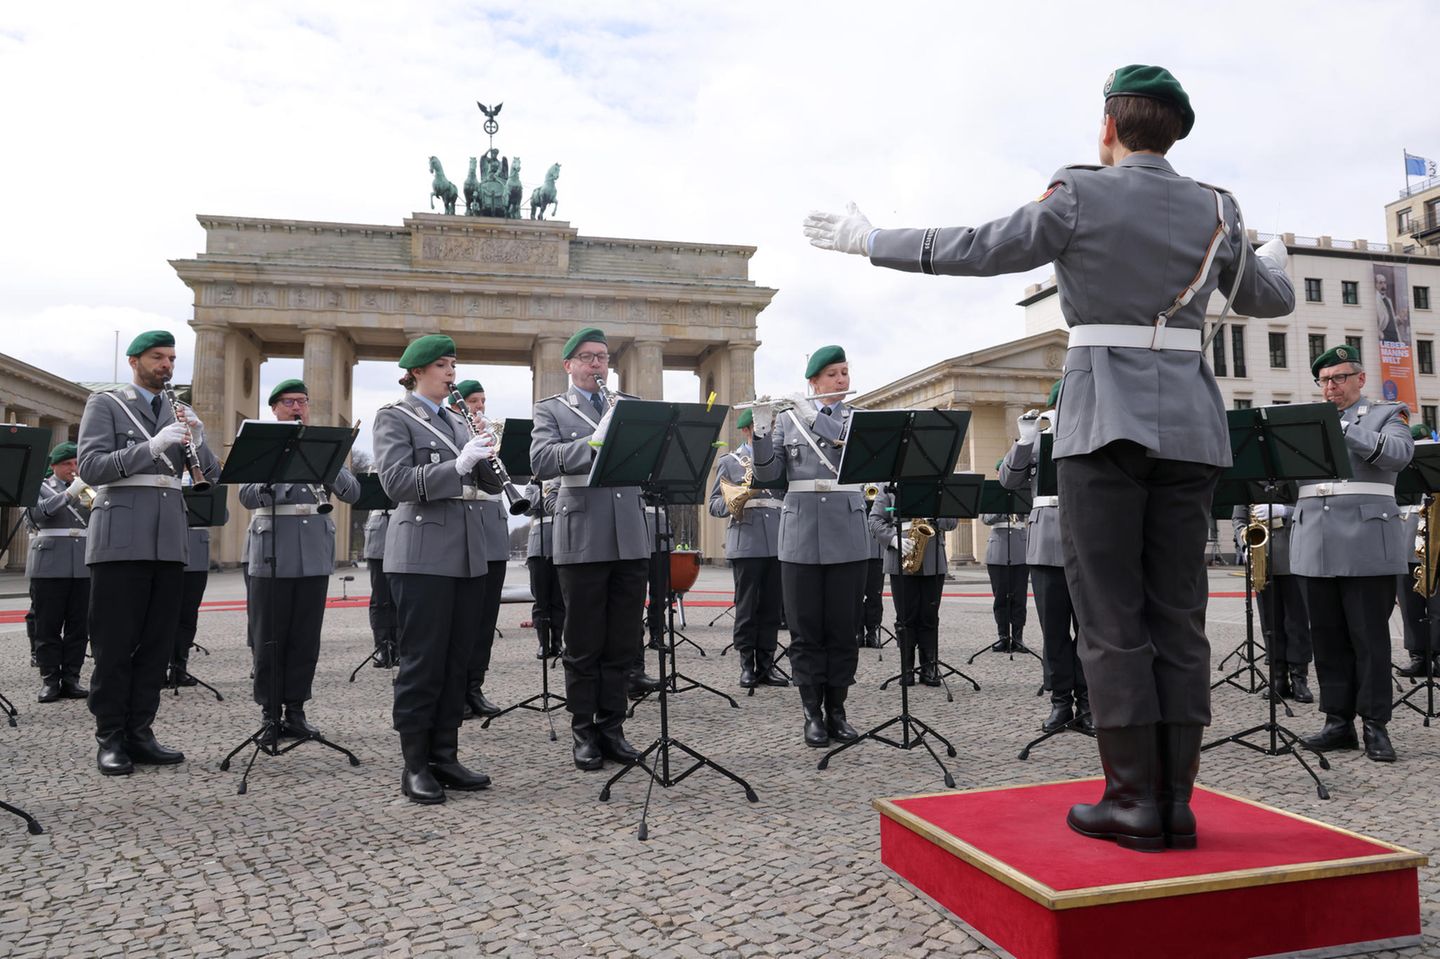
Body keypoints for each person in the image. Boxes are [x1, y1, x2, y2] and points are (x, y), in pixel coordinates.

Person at [804, 64, 1296, 850]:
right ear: (1175, 130)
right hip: (1193, 427)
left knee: (1108, 614)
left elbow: (979, 246)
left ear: (1108, 123)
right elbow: (1270, 299)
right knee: (1179, 612)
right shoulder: (1219, 208)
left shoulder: (1079, 191)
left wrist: (871, 242)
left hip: (1103, 419)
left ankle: (1133, 799)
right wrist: (1266, 253)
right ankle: (1176, 802)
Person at [77, 330, 221, 774]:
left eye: (172, 358)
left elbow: (211, 476)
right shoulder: (107, 404)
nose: (167, 365)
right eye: (158, 357)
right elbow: (90, 466)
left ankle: (141, 730)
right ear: (135, 360)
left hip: (168, 537)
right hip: (121, 535)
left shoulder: (176, 408)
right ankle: (111, 735)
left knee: (156, 643)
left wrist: (198, 435)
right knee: (116, 642)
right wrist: (152, 446)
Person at [374, 335, 500, 803]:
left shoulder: (458, 419)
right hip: (422, 554)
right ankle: (414, 764)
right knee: (424, 660)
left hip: (467, 551)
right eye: (443, 366)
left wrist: (487, 448)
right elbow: (396, 483)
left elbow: (485, 481)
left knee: (456, 659)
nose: (451, 373)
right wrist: (457, 463)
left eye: (453, 364)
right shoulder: (396, 416)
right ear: (417, 371)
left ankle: (445, 755)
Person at [529, 327, 650, 771]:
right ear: (569, 365)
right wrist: (592, 441)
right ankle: (583, 730)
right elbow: (542, 461)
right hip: (582, 532)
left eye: (601, 357)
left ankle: (613, 727)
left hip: (628, 532)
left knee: (622, 640)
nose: (597, 364)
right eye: (586, 357)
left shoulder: (630, 406)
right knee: (582, 642)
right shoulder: (552, 410)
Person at [1293, 346, 1414, 763]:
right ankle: (1337, 722)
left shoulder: (1388, 413)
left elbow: (1399, 454)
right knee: (1326, 640)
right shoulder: (1305, 421)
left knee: (1369, 640)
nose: (1331, 387)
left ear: (1360, 379)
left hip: (1366, 543)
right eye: (1325, 380)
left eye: (1339, 378)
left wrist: (1343, 429)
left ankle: (1375, 725)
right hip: (1315, 544)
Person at [751, 345, 869, 748]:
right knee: (805, 631)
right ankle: (812, 713)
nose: (841, 380)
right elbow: (769, 477)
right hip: (800, 533)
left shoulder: (859, 419)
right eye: (833, 374)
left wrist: (811, 415)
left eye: (845, 372)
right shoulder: (788, 421)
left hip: (848, 532)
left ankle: (838, 710)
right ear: (813, 381)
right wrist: (763, 433)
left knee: (843, 629)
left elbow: (851, 450)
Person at [240, 378, 361, 741]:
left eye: (303, 402)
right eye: (290, 402)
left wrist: (329, 464)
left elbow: (353, 492)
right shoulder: (261, 444)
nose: (298, 408)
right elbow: (248, 495)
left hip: (313, 552)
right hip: (272, 551)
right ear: (274, 408)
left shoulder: (322, 445)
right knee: (269, 638)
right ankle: (269, 713)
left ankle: (296, 711)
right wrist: (285, 463)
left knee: (305, 639)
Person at [1000, 386, 1092, 733]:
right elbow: (1008, 480)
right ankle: (1060, 703)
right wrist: (1024, 442)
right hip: (1045, 543)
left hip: (1086, 539)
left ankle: (1088, 702)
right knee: (1053, 632)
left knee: (1087, 630)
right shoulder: (1038, 439)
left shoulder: (1088, 431)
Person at [707, 409, 787, 688]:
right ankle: (746, 665)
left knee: (771, 607)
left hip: (777, 538)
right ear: (745, 431)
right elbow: (714, 504)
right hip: (746, 538)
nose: (765, 431)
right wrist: (734, 500)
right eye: (758, 427)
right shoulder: (729, 462)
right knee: (747, 606)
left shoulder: (778, 458)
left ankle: (767, 664)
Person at [447, 380, 508, 720]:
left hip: (492, 528)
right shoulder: (452, 432)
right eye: (473, 401)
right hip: (463, 526)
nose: (479, 407)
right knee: (462, 619)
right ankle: (455, 689)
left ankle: (475, 686)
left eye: (483, 400)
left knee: (485, 619)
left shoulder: (490, 431)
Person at [867, 488, 957, 686]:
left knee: (929, 614)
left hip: (933, 557)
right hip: (901, 553)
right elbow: (874, 520)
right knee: (905, 616)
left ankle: (929, 666)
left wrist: (934, 516)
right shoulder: (888, 486)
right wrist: (893, 539)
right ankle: (906, 667)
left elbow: (952, 522)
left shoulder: (938, 485)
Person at [25, 442, 91, 704]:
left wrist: (85, 491)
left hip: (82, 563)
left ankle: (72, 677)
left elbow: (97, 513)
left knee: (78, 626)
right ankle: (50, 679)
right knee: (48, 625)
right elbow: (37, 515)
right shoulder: (39, 486)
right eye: (67, 464)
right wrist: (67, 495)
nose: (72, 469)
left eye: (75, 464)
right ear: (54, 466)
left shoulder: (85, 489)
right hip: (50, 563)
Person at [1230, 502, 1313, 703]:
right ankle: (1278, 677)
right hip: (1261, 559)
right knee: (1270, 624)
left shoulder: (1296, 477)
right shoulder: (1249, 483)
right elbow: (1238, 519)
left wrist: (1285, 512)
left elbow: (1310, 511)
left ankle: (1299, 678)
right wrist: (1246, 542)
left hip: (1295, 557)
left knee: (1297, 623)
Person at [1397, 423, 1440, 678]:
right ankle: (1418, 655)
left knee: (1437, 604)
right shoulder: (1401, 469)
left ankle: (1438, 654)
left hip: (1435, 542)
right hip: (1406, 541)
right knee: (1409, 604)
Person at [981, 477, 1030, 655]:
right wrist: (1002, 505)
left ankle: (1018, 636)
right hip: (998, 550)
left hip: (1020, 548)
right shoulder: (991, 495)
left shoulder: (1022, 491)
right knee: (1000, 597)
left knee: (1019, 597)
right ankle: (1003, 636)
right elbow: (985, 518)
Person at [525, 479, 565, 660]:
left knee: (559, 599)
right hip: (538, 547)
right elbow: (526, 508)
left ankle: (557, 641)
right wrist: (543, 490)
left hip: (561, 544)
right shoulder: (532, 486)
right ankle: (543, 642)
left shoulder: (561, 482)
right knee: (541, 600)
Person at [170, 520, 210, 688]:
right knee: (163, 616)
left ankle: (179, 668)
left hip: (196, 551)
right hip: (168, 550)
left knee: (188, 616)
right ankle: (156, 669)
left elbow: (222, 515)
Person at [362, 505, 397, 669]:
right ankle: (382, 647)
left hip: (405, 525)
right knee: (379, 596)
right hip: (379, 528)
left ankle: (400, 647)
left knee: (402, 596)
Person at [859, 520, 886, 648]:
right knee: (855, 595)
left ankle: (872, 632)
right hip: (855, 551)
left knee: (875, 595)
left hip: (876, 551)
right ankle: (857, 632)